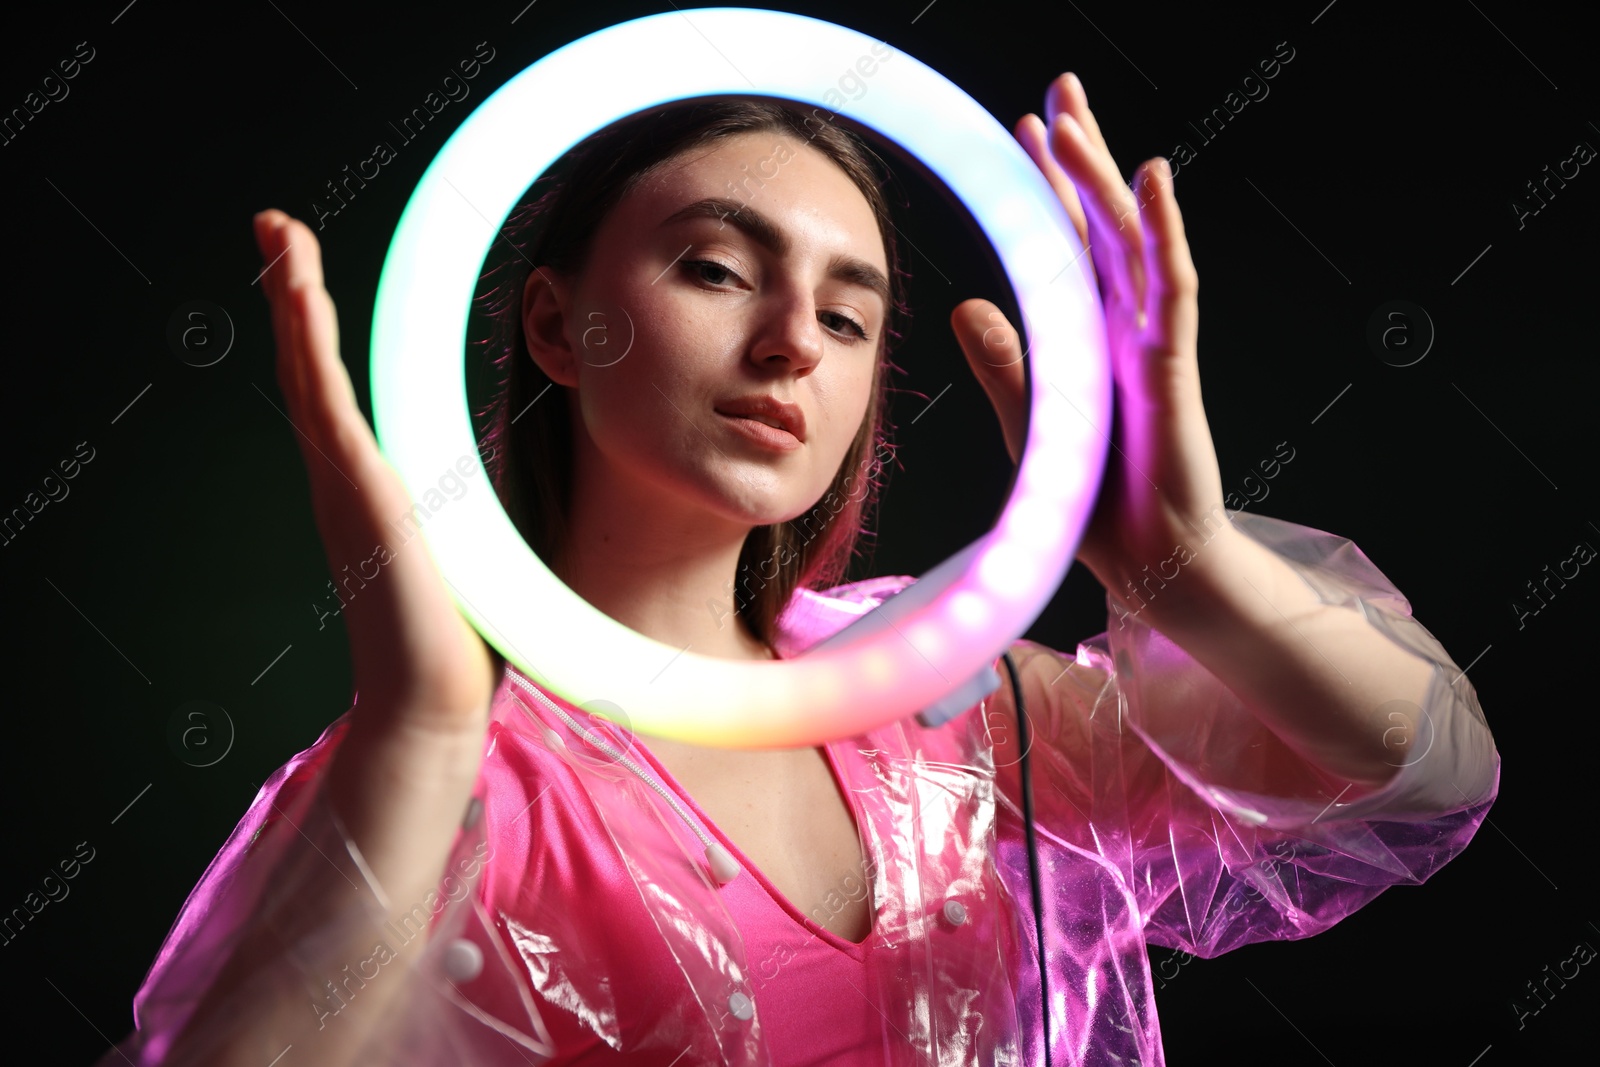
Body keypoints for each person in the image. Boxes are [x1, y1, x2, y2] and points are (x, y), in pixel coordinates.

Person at [98, 76, 1500, 1066]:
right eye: (715, 270)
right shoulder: (458, 780)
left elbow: (1419, 778)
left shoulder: (943, 713)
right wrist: (418, 737)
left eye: (846, 316)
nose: (792, 343)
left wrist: (1188, 572)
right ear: (553, 321)